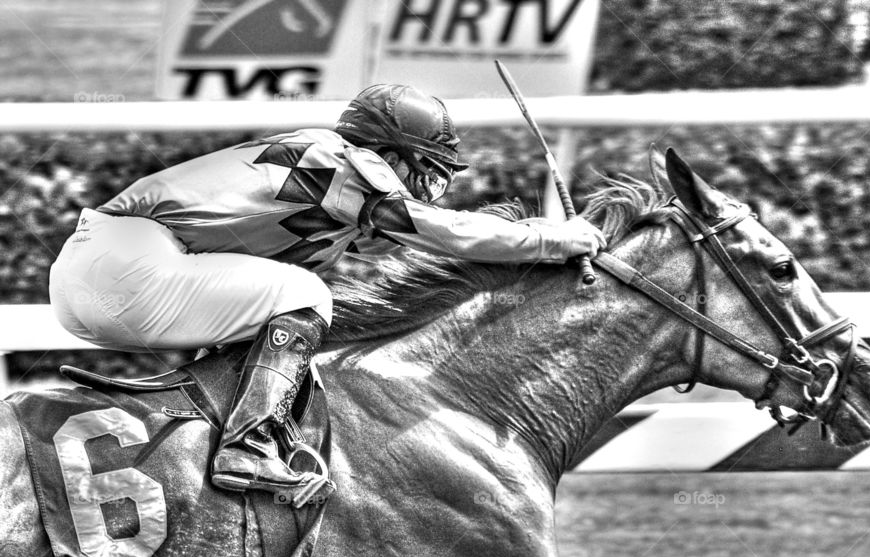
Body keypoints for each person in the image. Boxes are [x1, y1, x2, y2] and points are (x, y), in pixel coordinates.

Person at [49, 84, 606, 503]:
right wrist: (552, 238)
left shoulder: (326, 193)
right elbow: (446, 233)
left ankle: (213, 434)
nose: (434, 183)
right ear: (390, 152)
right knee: (303, 293)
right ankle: (247, 450)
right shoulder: (340, 157)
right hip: (127, 264)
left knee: (281, 306)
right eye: (427, 166)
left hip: (93, 275)